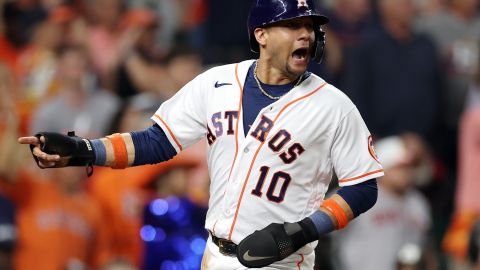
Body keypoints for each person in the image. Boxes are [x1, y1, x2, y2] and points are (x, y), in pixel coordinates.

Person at [18, 0, 384, 269]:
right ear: (262, 35)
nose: (306, 33)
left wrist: (303, 230)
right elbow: (157, 141)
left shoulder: (333, 105)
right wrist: (85, 150)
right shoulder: (216, 83)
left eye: (309, 25)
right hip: (215, 255)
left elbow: (363, 186)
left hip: (283, 262)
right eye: (292, 25)